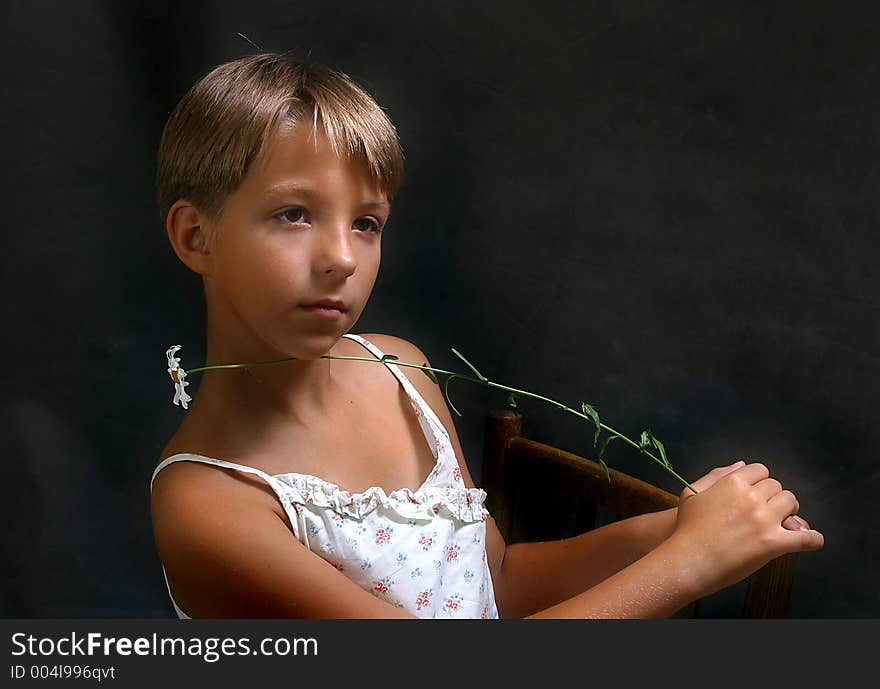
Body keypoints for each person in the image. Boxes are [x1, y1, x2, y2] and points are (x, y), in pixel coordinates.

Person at [149, 52, 824, 619]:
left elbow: (495, 580)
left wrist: (683, 525)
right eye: (294, 214)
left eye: (367, 222)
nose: (343, 259)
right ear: (195, 235)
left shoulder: (399, 371)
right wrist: (689, 561)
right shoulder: (206, 505)